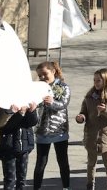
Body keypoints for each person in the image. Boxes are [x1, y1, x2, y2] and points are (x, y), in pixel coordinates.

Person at [75, 68, 107, 190]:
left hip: (106, 136)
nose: (96, 83)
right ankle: (90, 184)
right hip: (91, 135)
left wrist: (105, 110)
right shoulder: (89, 97)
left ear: (105, 81)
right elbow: (84, 112)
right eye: (94, 80)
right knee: (91, 163)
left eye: (99, 80)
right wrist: (81, 117)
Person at [33, 61, 71, 190]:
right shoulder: (38, 87)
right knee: (41, 162)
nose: (42, 77)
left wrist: (52, 102)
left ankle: (66, 187)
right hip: (43, 131)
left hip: (59, 130)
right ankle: (36, 187)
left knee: (63, 161)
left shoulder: (63, 86)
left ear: (53, 72)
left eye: (45, 74)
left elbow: (64, 104)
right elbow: (34, 104)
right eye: (40, 76)